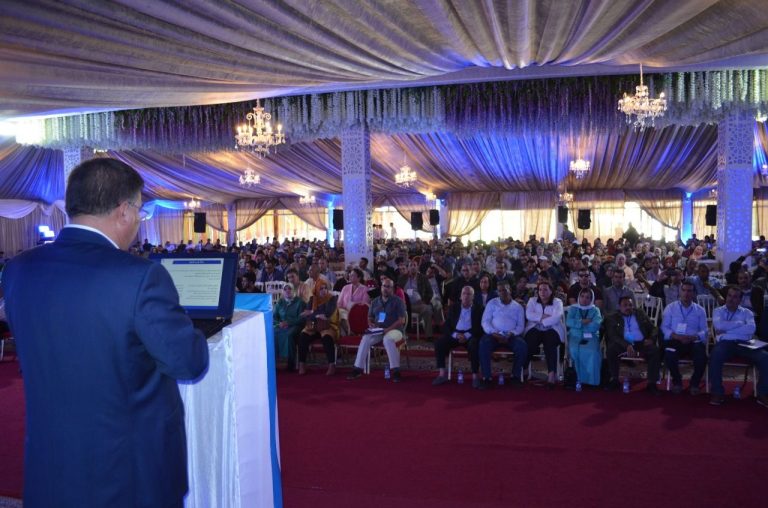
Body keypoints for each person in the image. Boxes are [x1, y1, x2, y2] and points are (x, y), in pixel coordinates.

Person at [2, 158, 209, 507]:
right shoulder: (139, 276)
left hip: (49, 466)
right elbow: (188, 363)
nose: (139, 222)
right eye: (140, 212)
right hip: (128, 474)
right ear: (124, 210)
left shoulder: (18, 270)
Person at [709, 285, 768, 407]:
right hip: (726, 343)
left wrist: (727, 330)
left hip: (745, 343)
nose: (731, 299)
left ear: (740, 300)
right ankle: (717, 392)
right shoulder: (718, 311)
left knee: (765, 358)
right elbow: (719, 326)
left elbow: (750, 329)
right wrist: (740, 324)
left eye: (735, 297)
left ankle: (762, 393)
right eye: (729, 296)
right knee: (715, 355)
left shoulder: (748, 313)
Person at [347, 277, 407, 382]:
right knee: (365, 338)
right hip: (379, 330)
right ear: (381, 287)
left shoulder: (398, 301)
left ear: (392, 289)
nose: (386, 289)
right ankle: (357, 369)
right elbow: (370, 317)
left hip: (395, 330)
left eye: (388, 287)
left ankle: (396, 371)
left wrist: (388, 329)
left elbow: (401, 320)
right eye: (384, 286)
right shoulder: (375, 301)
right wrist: (371, 323)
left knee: (387, 339)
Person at [603, 296, 661, 394]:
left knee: (654, 351)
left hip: (641, 343)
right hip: (623, 344)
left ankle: (652, 383)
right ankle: (615, 379)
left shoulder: (640, 313)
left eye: (630, 305)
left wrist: (651, 339)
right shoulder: (613, 317)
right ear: (619, 307)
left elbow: (654, 328)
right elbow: (613, 336)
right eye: (625, 305)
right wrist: (626, 345)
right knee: (611, 349)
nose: (628, 307)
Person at [660, 280, 708, 395]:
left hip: (693, 341)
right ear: (680, 292)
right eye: (684, 290)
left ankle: (694, 383)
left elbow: (705, 330)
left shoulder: (700, 310)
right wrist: (676, 336)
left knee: (702, 356)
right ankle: (677, 381)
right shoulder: (670, 308)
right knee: (669, 354)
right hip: (675, 339)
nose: (686, 293)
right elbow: (664, 327)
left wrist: (694, 337)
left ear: (694, 293)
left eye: (689, 291)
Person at [477, 280, 527, 389]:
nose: (502, 293)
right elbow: (485, 321)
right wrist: (493, 332)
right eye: (499, 291)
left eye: (504, 290)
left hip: (511, 336)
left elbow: (520, 326)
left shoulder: (518, 307)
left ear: (510, 290)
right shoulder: (492, 303)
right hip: (494, 335)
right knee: (483, 344)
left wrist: (511, 333)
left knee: (522, 346)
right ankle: (486, 377)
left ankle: (515, 376)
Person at [432, 286, 483, 386]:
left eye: (469, 294)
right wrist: (455, 335)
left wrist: (467, 335)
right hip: (456, 334)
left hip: (470, 335)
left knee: (474, 344)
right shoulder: (454, 307)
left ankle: (475, 376)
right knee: (439, 342)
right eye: (464, 294)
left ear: (473, 297)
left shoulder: (479, 309)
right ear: (460, 296)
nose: (466, 296)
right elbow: (447, 325)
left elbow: (479, 327)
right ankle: (442, 374)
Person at [523, 281, 566, 387]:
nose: (542, 292)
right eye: (540, 289)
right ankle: (525, 369)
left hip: (553, 328)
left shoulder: (557, 302)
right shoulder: (532, 300)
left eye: (545, 289)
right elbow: (528, 315)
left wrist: (540, 319)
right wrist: (543, 316)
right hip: (535, 328)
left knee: (550, 342)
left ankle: (551, 374)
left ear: (551, 291)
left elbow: (557, 317)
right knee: (530, 340)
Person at [297, 280, 339, 376]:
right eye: (321, 289)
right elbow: (306, 315)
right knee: (303, 336)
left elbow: (327, 314)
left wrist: (312, 312)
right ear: (316, 290)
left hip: (327, 325)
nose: (324, 290)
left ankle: (331, 365)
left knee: (327, 338)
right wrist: (316, 314)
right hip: (313, 326)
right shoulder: (312, 299)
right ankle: (302, 364)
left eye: (325, 288)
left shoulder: (331, 298)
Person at [566, 288, 603, 387]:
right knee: (574, 350)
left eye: (587, 297)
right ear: (579, 297)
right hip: (575, 335)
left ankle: (592, 381)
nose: (584, 299)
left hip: (591, 336)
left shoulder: (595, 310)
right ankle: (577, 379)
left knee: (593, 352)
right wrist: (582, 322)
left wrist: (578, 324)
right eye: (582, 296)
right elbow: (568, 322)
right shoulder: (573, 308)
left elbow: (596, 325)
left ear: (591, 299)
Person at [273, 283, 306, 370]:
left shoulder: (300, 302)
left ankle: (291, 363)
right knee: (272, 333)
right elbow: (274, 317)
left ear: (294, 290)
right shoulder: (280, 302)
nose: (287, 291)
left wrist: (288, 323)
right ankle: (274, 362)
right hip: (281, 326)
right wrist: (279, 323)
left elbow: (302, 319)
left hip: (295, 326)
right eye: (285, 289)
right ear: (283, 292)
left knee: (289, 335)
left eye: (289, 289)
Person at [398, 260, 434, 339]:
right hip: (404, 305)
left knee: (427, 309)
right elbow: (397, 291)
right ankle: (400, 334)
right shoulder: (402, 278)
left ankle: (429, 335)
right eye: (411, 265)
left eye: (414, 265)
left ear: (417, 267)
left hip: (418, 305)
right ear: (408, 268)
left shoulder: (423, 278)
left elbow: (430, 292)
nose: (413, 267)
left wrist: (424, 301)